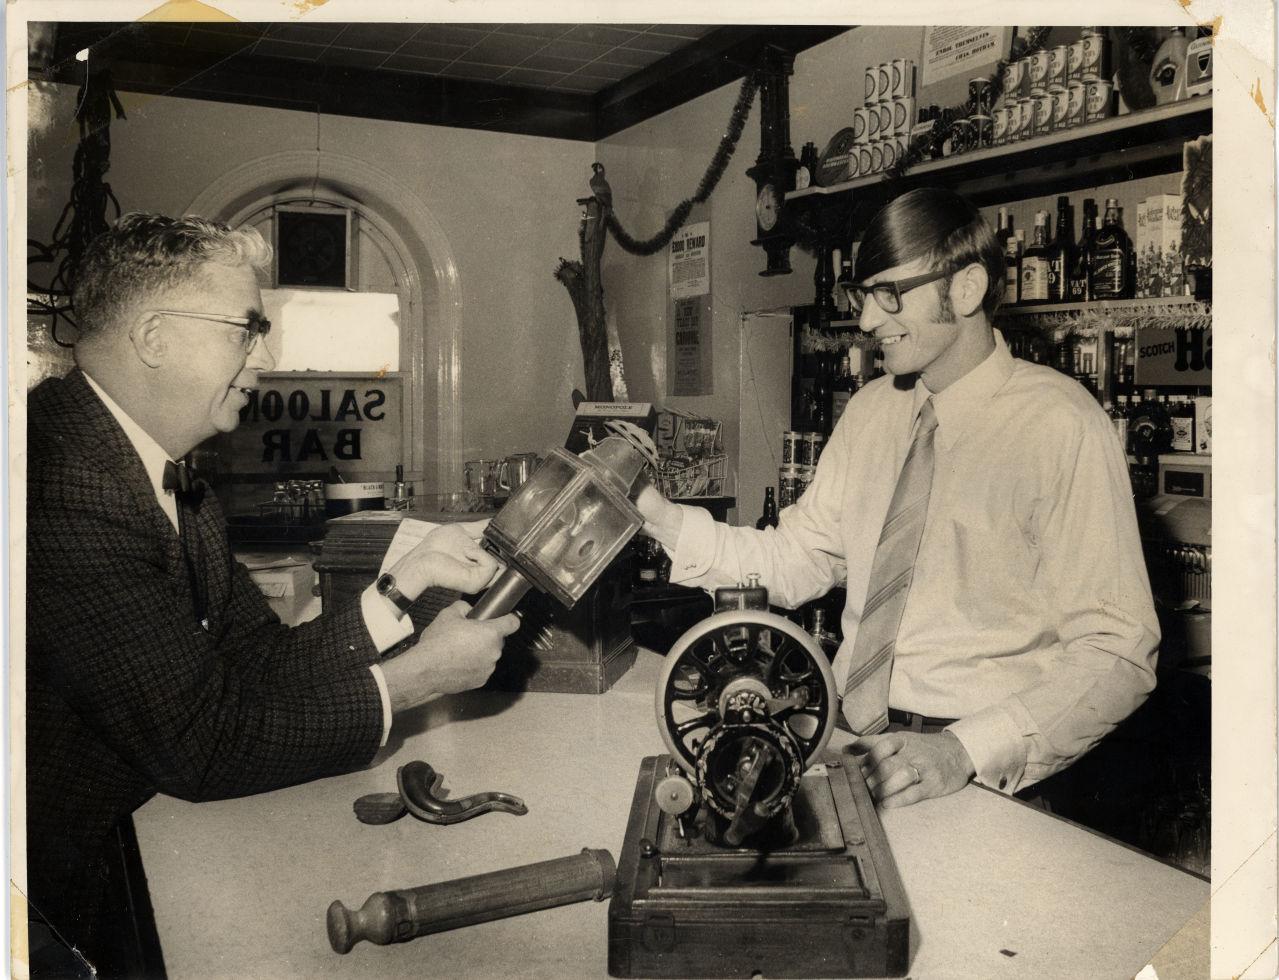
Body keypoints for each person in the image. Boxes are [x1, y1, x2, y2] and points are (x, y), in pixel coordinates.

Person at [25, 213, 520, 972]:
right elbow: (204, 744)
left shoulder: (158, 466)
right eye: (245, 329)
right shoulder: (59, 482)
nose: (267, 357)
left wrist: (400, 588)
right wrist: (413, 682)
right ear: (154, 338)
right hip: (53, 897)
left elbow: (251, 661)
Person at [639, 187, 1159, 811]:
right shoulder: (871, 412)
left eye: (890, 294)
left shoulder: (1061, 424)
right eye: (864, 296)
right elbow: (798, 558)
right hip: (848, 743)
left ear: (965, 289)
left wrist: (963, 751)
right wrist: (656, 515)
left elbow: (1118, 650)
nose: (866, 322)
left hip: (983, 774)